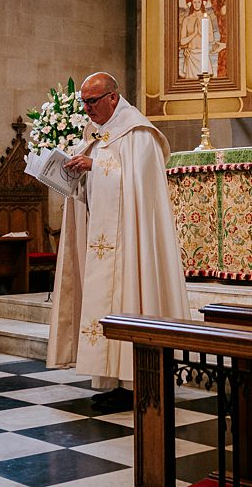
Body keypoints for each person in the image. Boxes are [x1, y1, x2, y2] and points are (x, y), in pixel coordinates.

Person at [50, 73, 190, 412]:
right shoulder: (96, 135)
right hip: (103, 237)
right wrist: (74, 174)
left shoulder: (139, 134)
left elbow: (139, 186)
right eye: (84, 102)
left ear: (114, 97)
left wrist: (95, 166)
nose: (87, 109)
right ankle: (110, 377)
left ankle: (135, 379)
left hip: (131, 244)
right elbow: (96, 183)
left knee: (130, 298)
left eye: (93, 101)